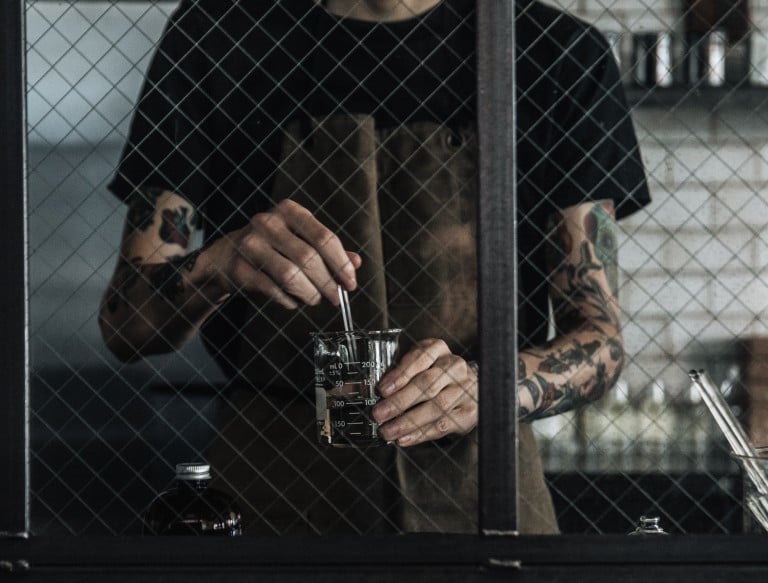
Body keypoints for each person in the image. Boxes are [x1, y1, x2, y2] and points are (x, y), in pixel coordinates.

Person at [99, 0, 650, 535]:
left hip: (485, 496)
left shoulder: (553, 52)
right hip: (274, 491)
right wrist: (219, 264)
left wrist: (489, 389)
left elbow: (600, 339)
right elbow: (126, 325)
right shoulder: (217, 38)